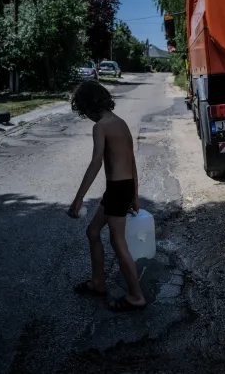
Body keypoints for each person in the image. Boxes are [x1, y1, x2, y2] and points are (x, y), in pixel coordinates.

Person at [68, 80, 146, 312]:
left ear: (88, 106)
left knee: (118, 242)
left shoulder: (101, 126)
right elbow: (131, 161)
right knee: (92, 232)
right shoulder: (121, 123)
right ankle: (98, 283)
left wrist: (78, 197)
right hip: (124, 187)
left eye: (84, 112)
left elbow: (95, 163)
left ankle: (136, 296)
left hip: (116, 189)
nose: (88, 118)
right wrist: (134, 195)